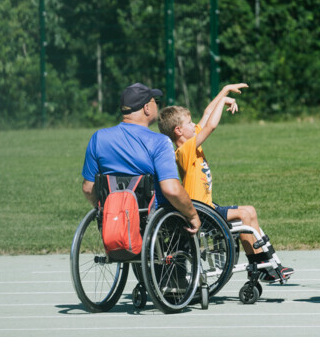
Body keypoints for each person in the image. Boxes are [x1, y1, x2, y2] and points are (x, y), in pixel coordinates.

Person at [158, 83, 294, 283]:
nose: (194, 124)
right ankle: (260, 266)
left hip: (209, 208)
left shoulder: (190, 141)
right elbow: (211, 125)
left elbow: (207, 114)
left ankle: (262, 264)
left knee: (250, 212)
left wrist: (225, 90)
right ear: (178, 130)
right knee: (244, 214)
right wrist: (223, 101)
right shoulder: (185, 150)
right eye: (189, 123)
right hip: (200, 212)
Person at [82, 82, 201, 235]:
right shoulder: (160, 142)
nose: (157, 106)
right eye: (155, 102)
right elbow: (171, 190)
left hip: (116, 218)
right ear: (146, 108)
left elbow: (87, 188)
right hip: (153, 219)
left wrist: (105, 210)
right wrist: (192, 215)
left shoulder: (98, 138)